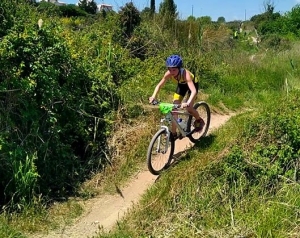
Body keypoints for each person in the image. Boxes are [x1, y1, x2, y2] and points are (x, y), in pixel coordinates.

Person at [149, 54, 205, 139]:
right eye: (170, 69)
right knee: (174, 109)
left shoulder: (185, 74)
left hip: (192, 86)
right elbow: (159, 85)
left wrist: (187, 103)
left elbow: (193, 91)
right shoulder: (168, 74)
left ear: (179, 68)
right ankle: (174, 133)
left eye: (174, 70)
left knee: (189, 108)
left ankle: (199, 120)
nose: (172, 72)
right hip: (181, 86)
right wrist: (153, 96)